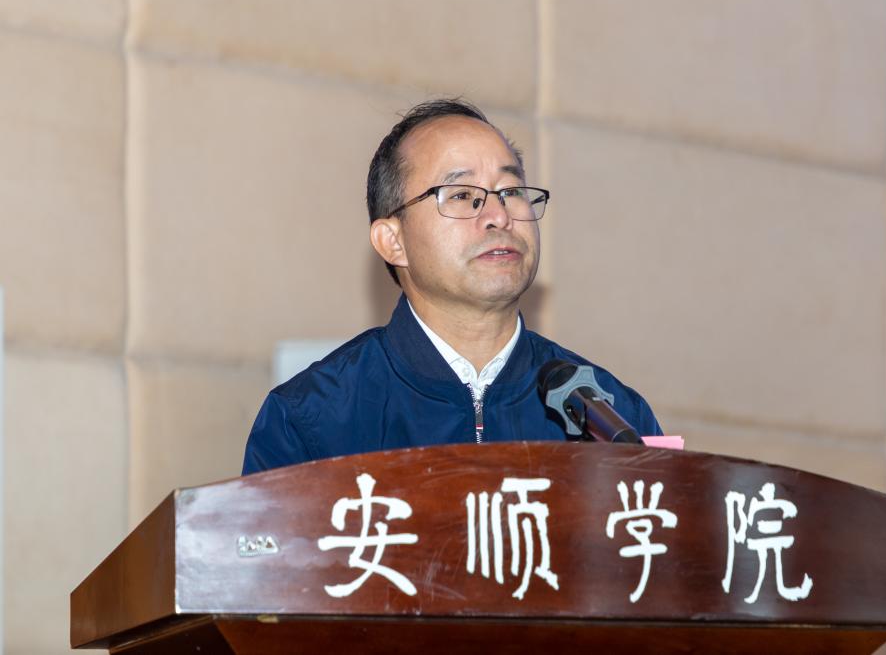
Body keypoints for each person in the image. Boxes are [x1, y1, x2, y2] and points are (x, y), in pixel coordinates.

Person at [242, 99, 661, 474]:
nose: (499, 216)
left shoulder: (612, 417)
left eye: (511, 190)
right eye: (461, 195)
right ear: (393, 241)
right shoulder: (311, 420)